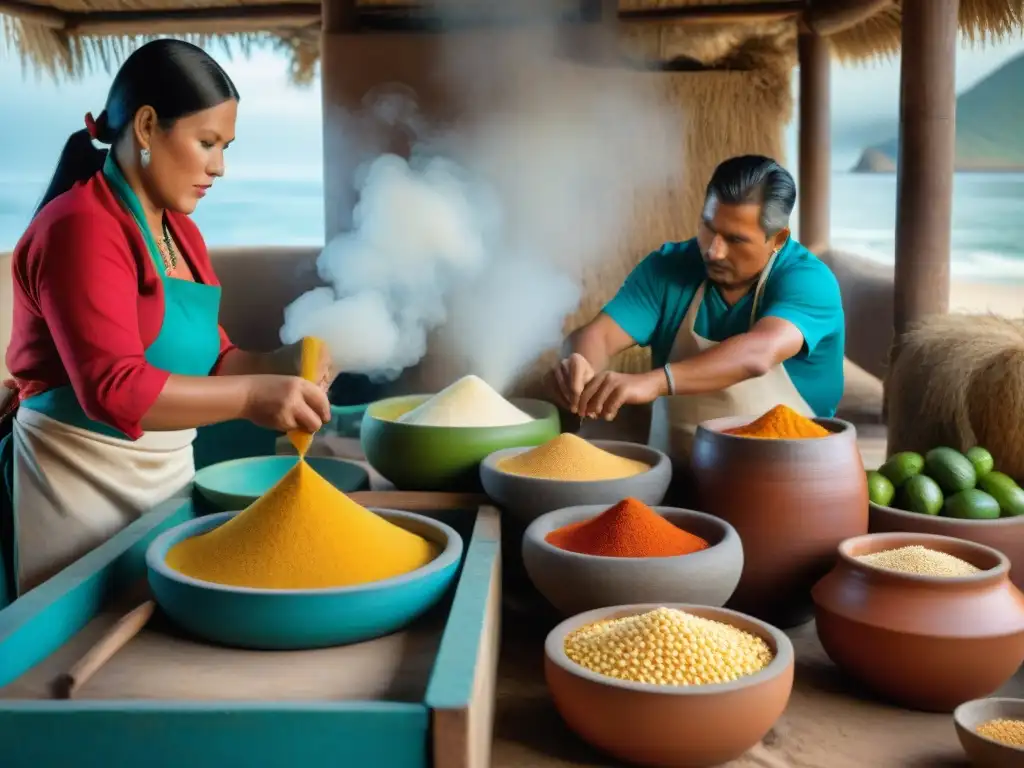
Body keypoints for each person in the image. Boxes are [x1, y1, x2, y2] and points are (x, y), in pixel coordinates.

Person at [1, 40, 333, 595]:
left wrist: (289, 364)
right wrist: (254, 397)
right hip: (72, 490)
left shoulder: (180, 231)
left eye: (225, 147)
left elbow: (217, 358)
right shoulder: (79, 227)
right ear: (148, 126)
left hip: (162, 492)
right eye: (207, 143)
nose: (219, 167)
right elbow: (114, 389)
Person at [548, 155, 845, 494]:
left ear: (777, 239)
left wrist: (654, 382)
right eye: (708, 227)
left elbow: (758, 353)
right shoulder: (669, 267)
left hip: (788, 487)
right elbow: (597, 336)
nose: (714, 251)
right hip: (676, 485)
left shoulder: (809, 281)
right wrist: (579, 364)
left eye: (735, 239)